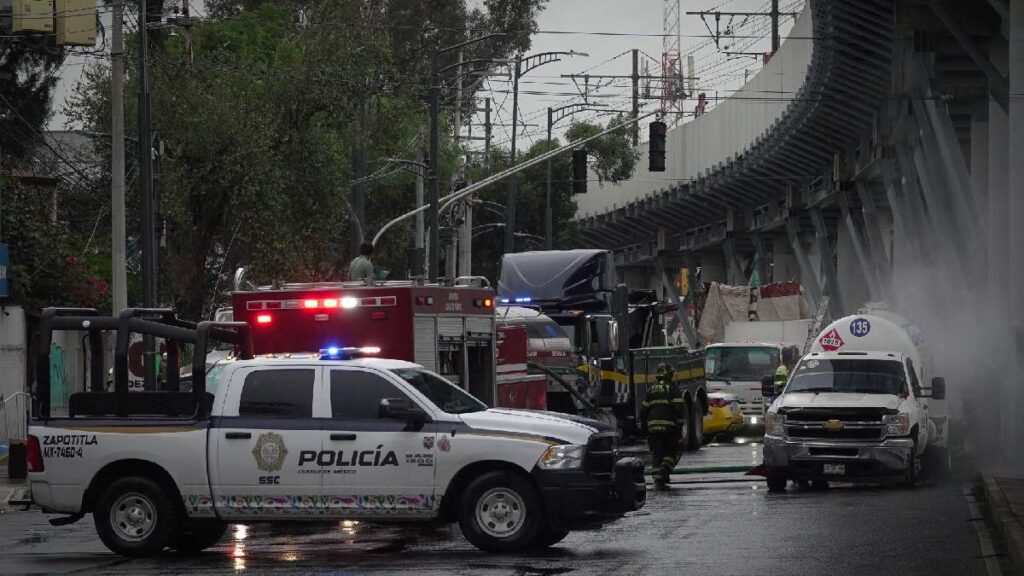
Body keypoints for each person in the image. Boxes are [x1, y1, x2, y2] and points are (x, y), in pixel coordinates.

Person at [640, 363, 686, 491]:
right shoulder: (673, 389)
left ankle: (657, 480)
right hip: (669, 428)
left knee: (657, 454)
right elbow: (679, 410)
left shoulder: (651, 389)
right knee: (674, 451)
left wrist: (645, 429)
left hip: (653, 429)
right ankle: (664, 472)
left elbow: (643, 411)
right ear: (669, 374)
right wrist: (679, 430)